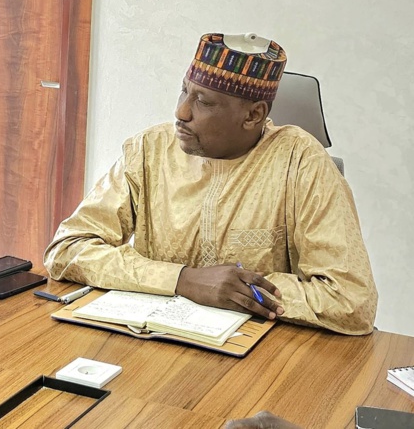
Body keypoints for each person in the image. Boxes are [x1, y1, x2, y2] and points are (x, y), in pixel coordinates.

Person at [44, 33, 377, 334]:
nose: (181, 112)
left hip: (260, 356)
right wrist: (183, 280)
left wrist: (239, 290)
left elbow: (350, 300)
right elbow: (67, 249)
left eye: (203, 102)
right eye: (184, 91)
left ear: (253, 116)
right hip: (152, 342)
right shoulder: (149, 150)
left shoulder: (301, 163)